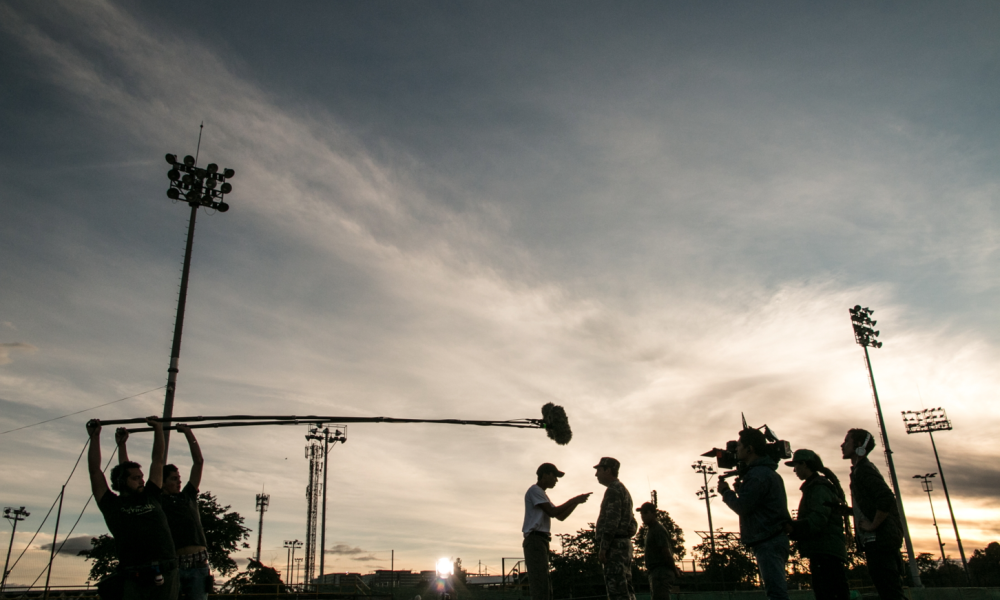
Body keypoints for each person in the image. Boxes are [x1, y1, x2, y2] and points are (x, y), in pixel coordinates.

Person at [87, 417, 178, 600]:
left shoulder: (151, 495)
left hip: (166, 571)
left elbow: (158, 460)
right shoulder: (111, 504)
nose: (141, 480)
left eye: (141, 477)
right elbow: (95, 470)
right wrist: (95, 437)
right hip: (134, 575)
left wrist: (158, 429)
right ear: (121, 482)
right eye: (136, 478)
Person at [119, 424, 210, 600]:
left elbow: (199, 462)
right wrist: (122, 444)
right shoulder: (155, 500)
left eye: (179, 479)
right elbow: (126, 471)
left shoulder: (188, 496)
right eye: (174, 479)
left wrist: (188, 433)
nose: (179, 483)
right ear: (163, 481)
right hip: (173, 566)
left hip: (199, 566)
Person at [717, 428, 791, 600]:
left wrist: (726, 493)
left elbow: (742, 506)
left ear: (749, 449)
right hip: (772, 538)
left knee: (776, 593)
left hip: (768, 540)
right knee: (776, 591)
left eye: (739, 445)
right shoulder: (766, 473)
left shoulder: (757, 475)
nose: (736, 449)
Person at [842, 429, 905, 599]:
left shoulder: (864, 470)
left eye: (847, 441)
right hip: (877, 541)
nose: (842, 445)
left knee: (890, 591)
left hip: (880, 540)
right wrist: (848, 511)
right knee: (888, 590)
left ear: (859, 446)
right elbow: (869, 506)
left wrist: (873, 525)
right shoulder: (859, 470)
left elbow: (885, 498)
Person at [785, 449, 850, 600]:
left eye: (796, 465)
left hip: (825, 553)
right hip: (825, 551)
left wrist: (794, 528)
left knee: (829, 594)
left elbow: (818, 519)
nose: (794, 470)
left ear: (805, 464)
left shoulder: (819, 487)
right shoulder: (816, 486)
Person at [522, 463, 591, 600]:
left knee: (544, 585)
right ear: (545, 475)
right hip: (535, 540)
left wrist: (576, 503)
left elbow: (561, 516)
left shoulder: (542, 494)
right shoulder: (535, 490)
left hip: (540, 541)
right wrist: (574, 499)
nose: (556, 480)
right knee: (540, 586)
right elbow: (553, 512)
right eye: (555, 476)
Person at [594, 457, 637, 600]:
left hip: (615, 548)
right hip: (624, 546)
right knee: (626, 589)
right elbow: (631, 519)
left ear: (608, 470)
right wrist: (633, 527)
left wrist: (603, 548)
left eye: (599, 470)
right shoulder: (623, 490)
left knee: (617, 592)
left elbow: (612, 521)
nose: (596, 474)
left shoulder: (613, 490)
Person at [636, 502, 681, 600]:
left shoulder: (658, 529)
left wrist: (674, 570)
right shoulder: (651, 530)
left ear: (653, 514)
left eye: (645, 513)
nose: (643, 516)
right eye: (641, 513)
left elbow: (665, 551)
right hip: (656, 572)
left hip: (661, 572)